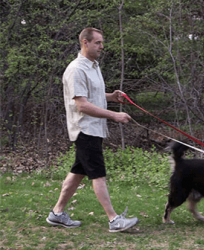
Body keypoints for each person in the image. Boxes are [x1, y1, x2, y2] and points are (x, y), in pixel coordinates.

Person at [46, 27, 138, 233]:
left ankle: (57, 213)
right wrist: (114, 115)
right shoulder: (76, 69)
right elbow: (82, 105)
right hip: (84, 129)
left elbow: (91, 96)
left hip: (94, 129)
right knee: (98, 174)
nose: (102, 47)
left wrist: (111, 97)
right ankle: (114, 220)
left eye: (102, 43)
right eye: (98, 43)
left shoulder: (93, 66)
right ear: (85, 42)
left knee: (77, 172)